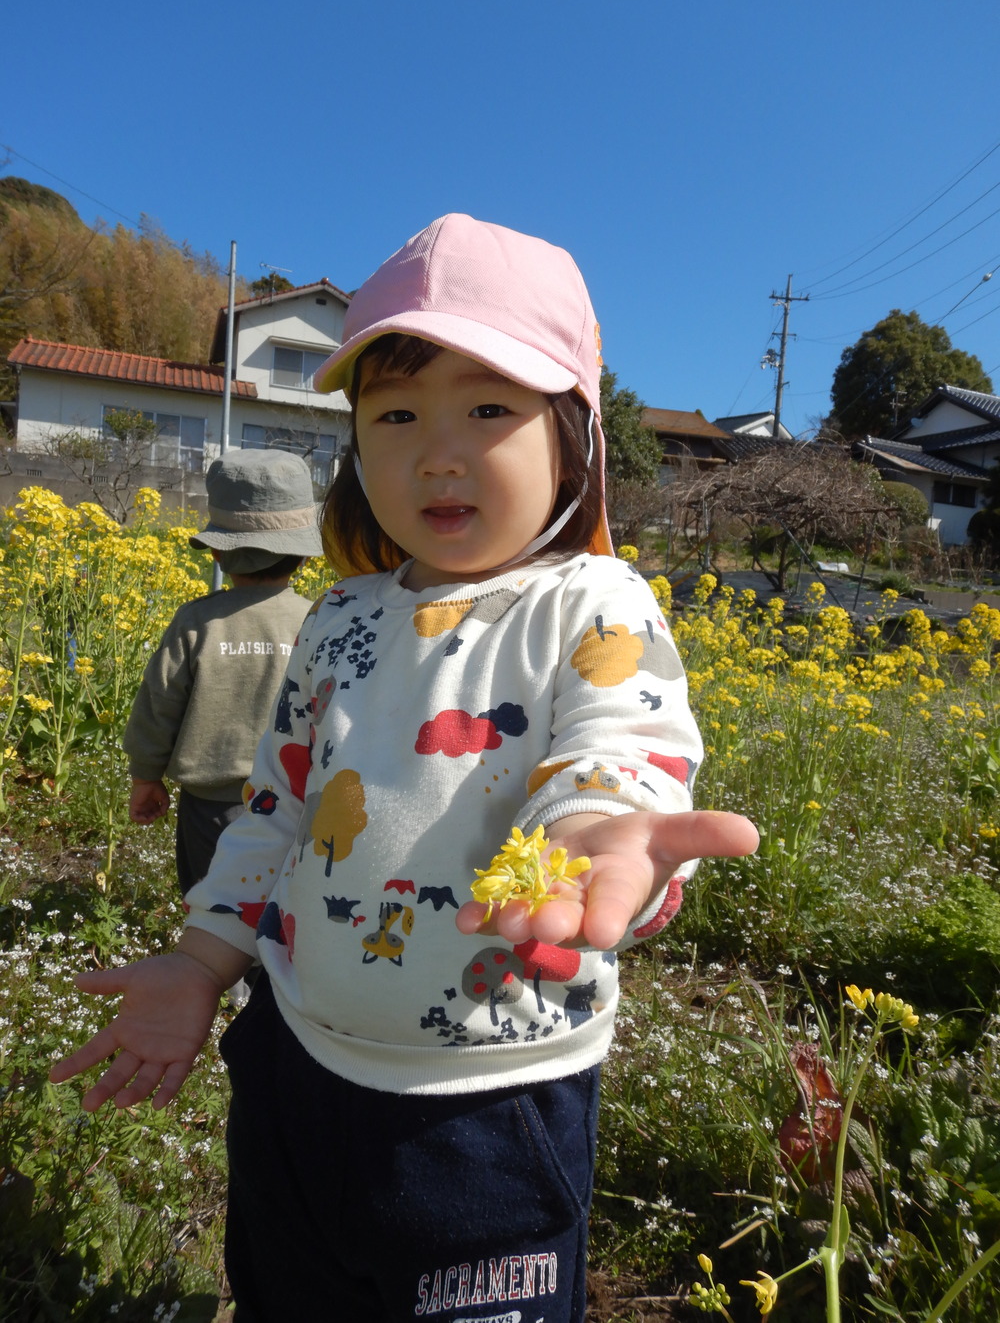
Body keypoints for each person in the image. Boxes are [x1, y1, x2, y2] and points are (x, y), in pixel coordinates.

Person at [51, 214, 758, 1323]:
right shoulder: (335, 617)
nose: (437, 451)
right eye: (393, 414)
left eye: (487, 408)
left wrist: (602, 826)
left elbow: (624, 745)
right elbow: (275, 813)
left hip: (488, 1107)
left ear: (574, 433)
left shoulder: (593, 600)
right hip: (293, 1067)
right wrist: (199, 963)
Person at [122, 449, 324, 895]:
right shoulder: (320, 621)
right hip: (295, 807)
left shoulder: (197, 622)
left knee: (211, 910)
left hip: (209, 809)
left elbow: (158, 705)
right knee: (281, 912)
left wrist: (145, 776)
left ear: (217, 552)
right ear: (304, 555)